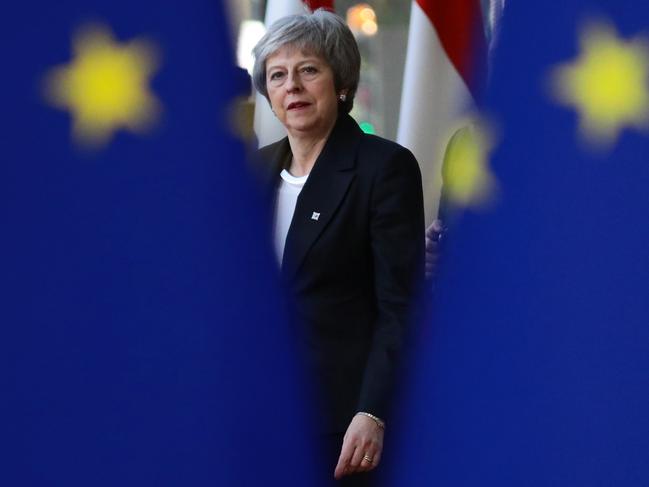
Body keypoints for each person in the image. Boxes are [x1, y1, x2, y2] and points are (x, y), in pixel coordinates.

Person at [252, 10, 424, 485]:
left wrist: (372, 411)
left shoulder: (383, 168)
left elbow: (401, 306)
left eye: (309, 70)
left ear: (342, 83)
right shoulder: (251, 172)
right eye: (278, 76)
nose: (293, 87)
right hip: (261, 416)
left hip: (342, 427)